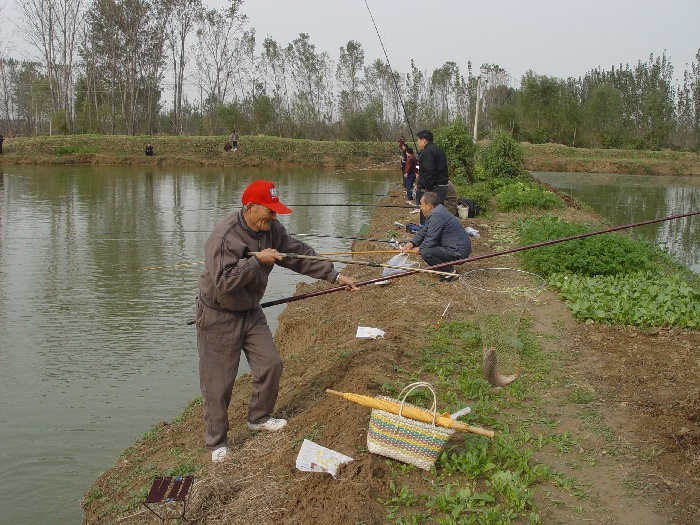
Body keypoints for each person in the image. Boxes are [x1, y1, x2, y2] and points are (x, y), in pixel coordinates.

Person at [195, 179, 358, 463]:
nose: (274, 215)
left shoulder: (271, 230)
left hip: (250, 311)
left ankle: (258, 417)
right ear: (250, 207)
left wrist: (333, 275)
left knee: (270, 363)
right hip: (218, 315)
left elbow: (296, 254)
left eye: (276, 210)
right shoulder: (224, 237)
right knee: (218, 383)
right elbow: (223, 282)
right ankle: (216, 443)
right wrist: (257, 261)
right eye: (269, 210)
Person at [401, 191, 471, 282]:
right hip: (456, 246)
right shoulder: (438, 210)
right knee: (426, 249)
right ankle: (445, 267)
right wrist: (411, 243)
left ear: (429, 205)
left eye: (421, 205)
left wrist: (420, 249)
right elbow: (425, 230)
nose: (421, 208)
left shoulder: (436, 215)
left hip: (458, 250)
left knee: (426, 252)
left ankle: (450, 272)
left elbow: (431, 239)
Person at [415, 130, 449, 225]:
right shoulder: (439, 150)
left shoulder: (427, 152)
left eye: (418, 140)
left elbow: (429, 171)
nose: (417, 142)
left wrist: (426, 188)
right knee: (438, 212)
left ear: (424, 140)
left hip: (435, 188)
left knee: (428, 212)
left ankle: (427, 234)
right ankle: (435, 233)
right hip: (443, 186)